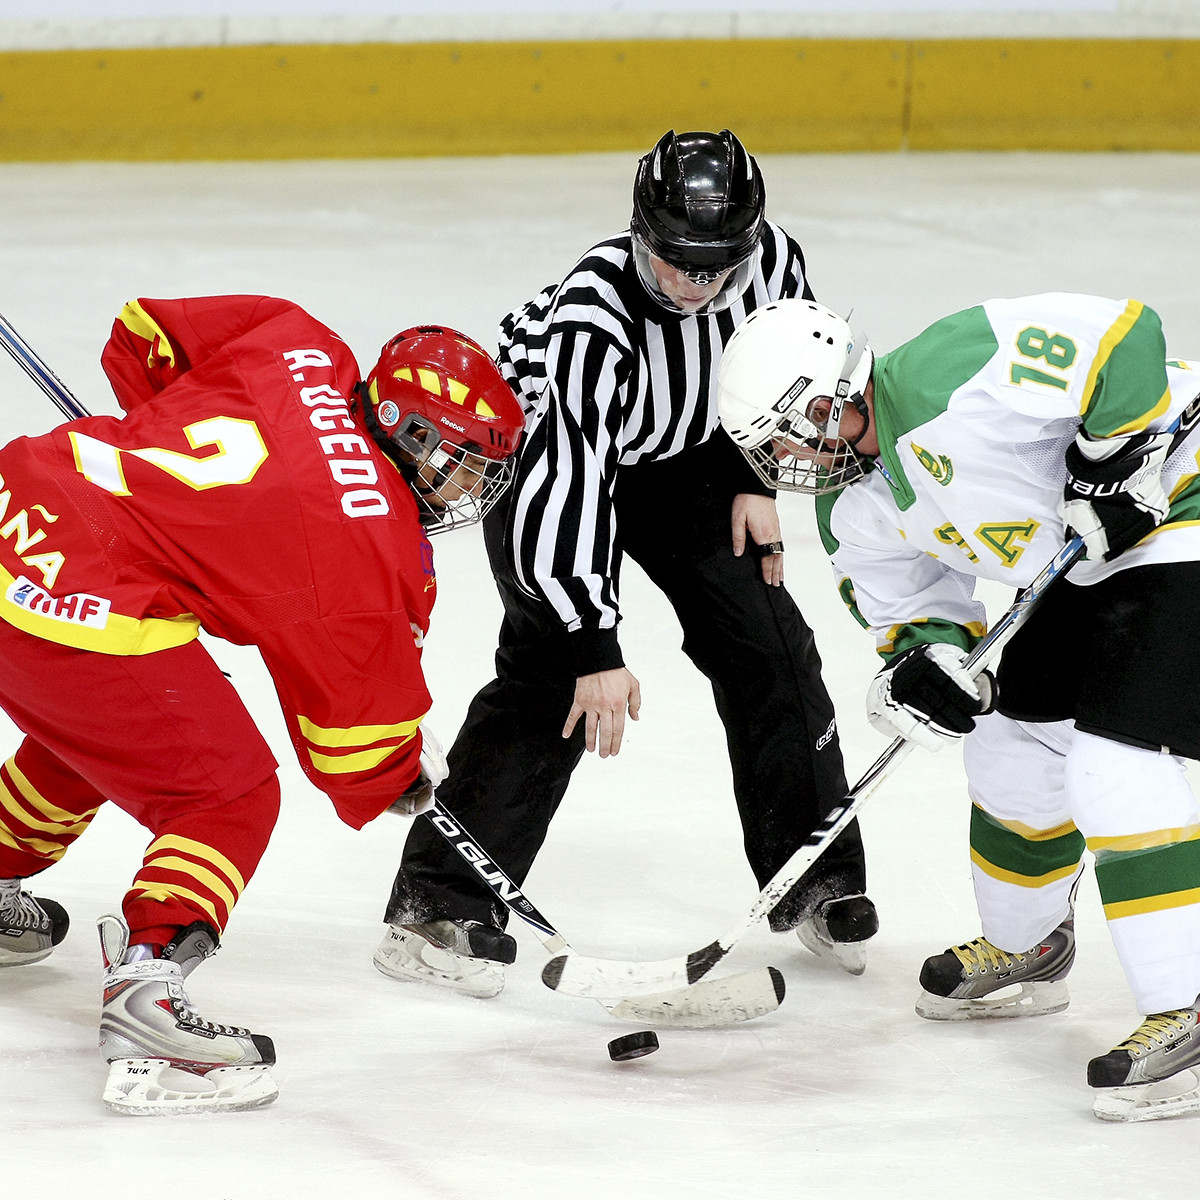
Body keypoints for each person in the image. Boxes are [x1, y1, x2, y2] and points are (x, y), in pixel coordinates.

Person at [375, 129, 875, 1000]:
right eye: (679, 260)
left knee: (770, 642)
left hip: (687, 456)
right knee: (549, 675)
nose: (701, 283)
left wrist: (757, 476)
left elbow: (785, 367)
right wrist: (593, 645)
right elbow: (565, 484)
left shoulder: (775, 261)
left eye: (721, 260)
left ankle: (814, 875)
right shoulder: (591, 322)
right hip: (549, 462)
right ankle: (438, 903)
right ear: (641, 231)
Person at [0, 297, 523, 1114]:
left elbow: (143, 336)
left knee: (119, 729)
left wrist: (174, 469)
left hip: (19, 507)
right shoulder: (371, 539)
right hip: (80, 598)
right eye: (460, 463)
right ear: (408, 434)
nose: (466, 487)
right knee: (227, 792)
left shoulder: (296, 338)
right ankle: (147, 989)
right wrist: (398, 777)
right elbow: (351, 750)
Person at [716, 293, 1200, 1122]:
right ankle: (1031, 946)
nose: (787, 457)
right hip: (1086, 560)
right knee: (1012, 746)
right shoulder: (854, 507)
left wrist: (1109, 462)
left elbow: (1128, 336)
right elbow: (913, 616)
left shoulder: (955, 368)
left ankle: (1189, 1006)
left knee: (1117, 769)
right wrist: (929, 662)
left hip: (1180, 505)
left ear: (836, 397)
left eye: (792, 431)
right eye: (772, 446)